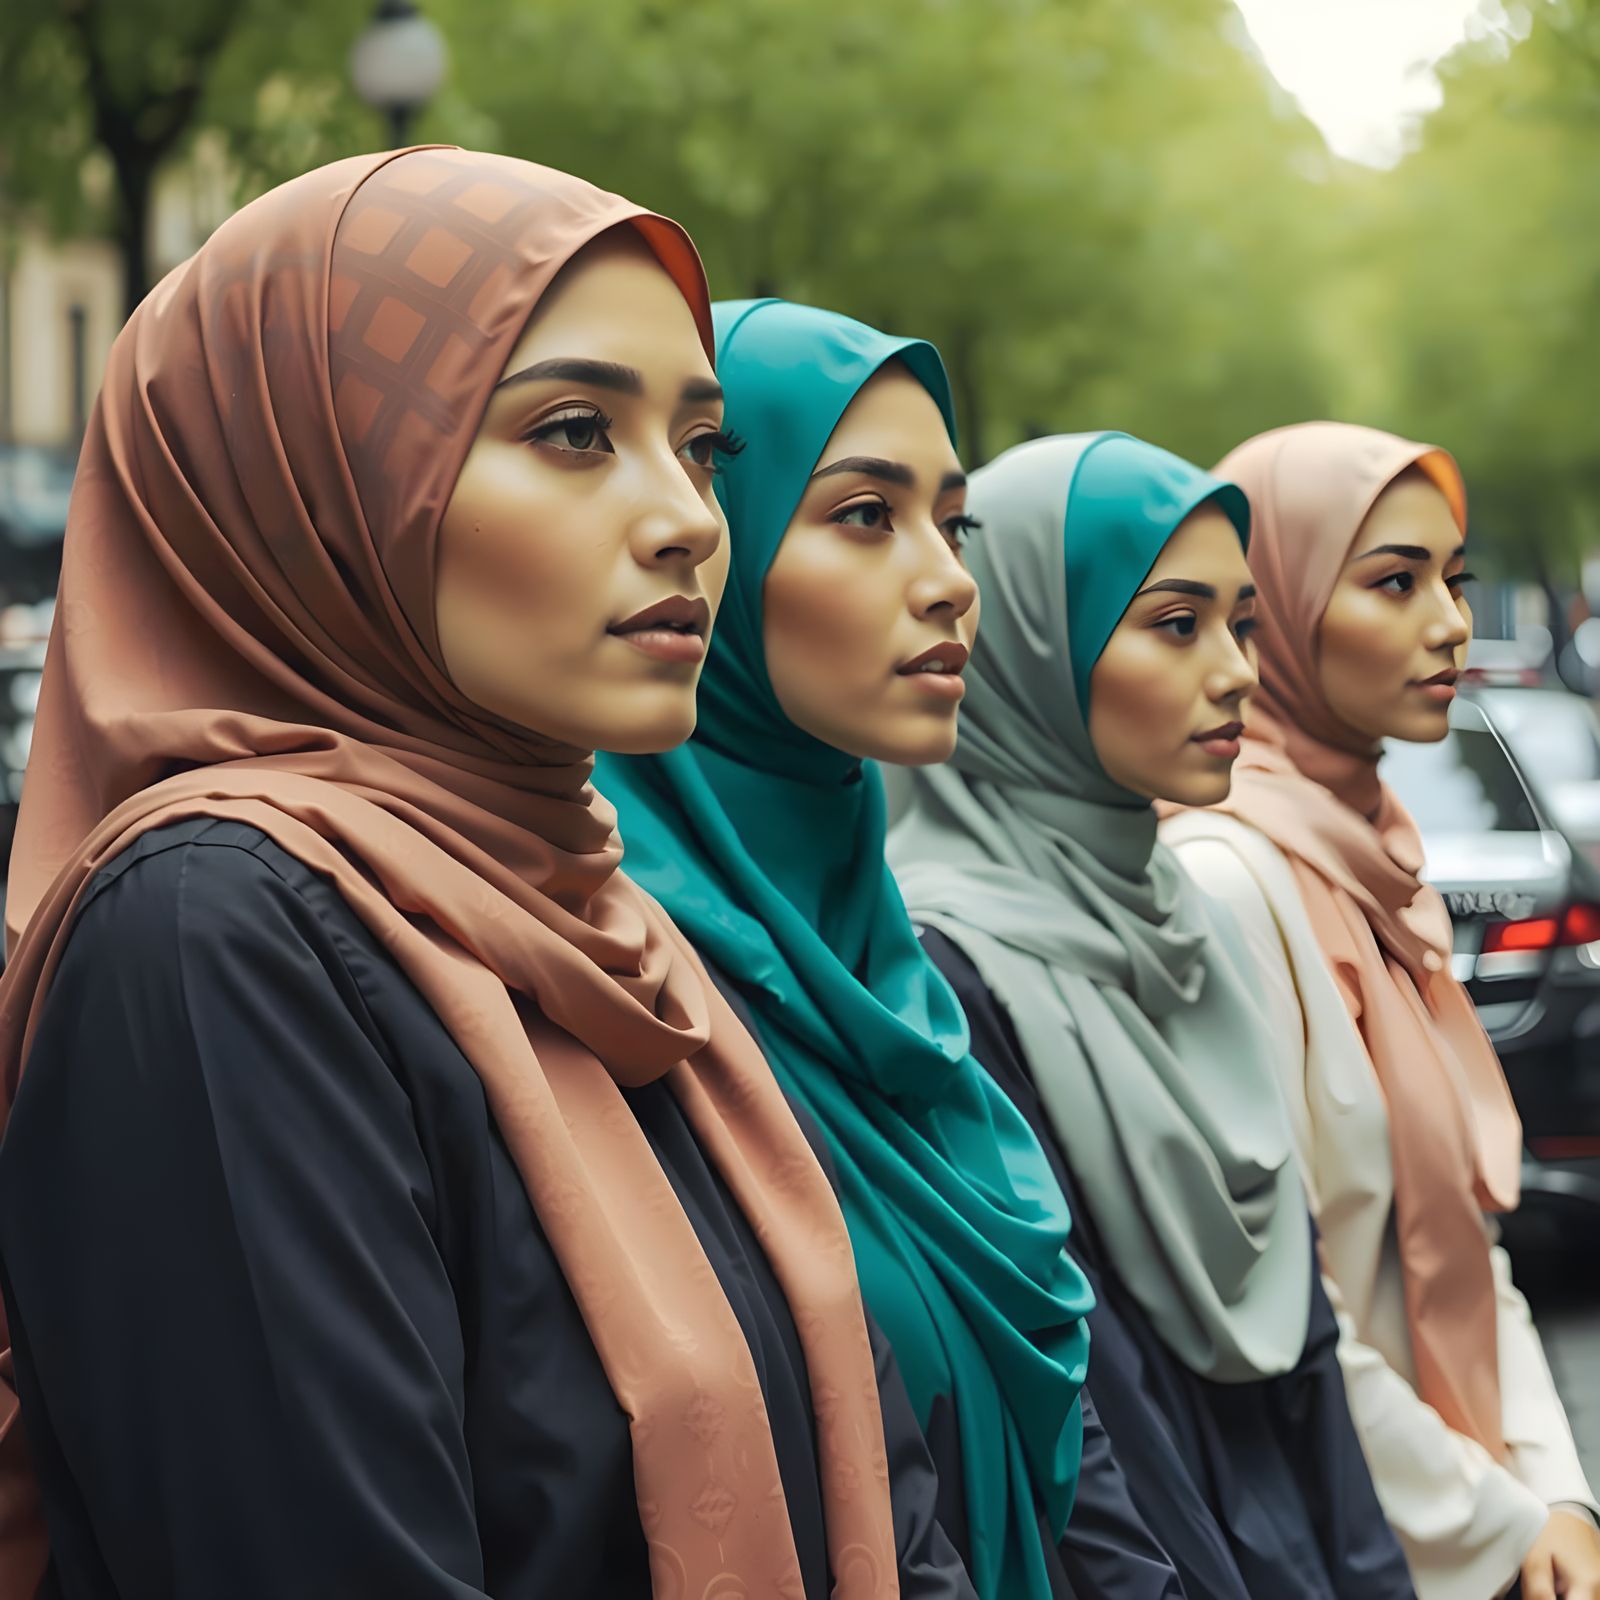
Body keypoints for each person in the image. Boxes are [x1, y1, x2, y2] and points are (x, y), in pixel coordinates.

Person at [0, 149, 974, 1600]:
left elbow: (887, 1499)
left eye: (702, 447)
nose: (689, 518)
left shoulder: (605, 922)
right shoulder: (213, 938)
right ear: (319, 478)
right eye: (576, 430)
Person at [599, 299, 1193, 1600]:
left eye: (952, 522)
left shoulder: (881, 957)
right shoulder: (614, 986)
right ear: (715, 546)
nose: (949, 579)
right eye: (867, 514)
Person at [887, 430, 1416, 1599]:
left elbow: (1304, 1339)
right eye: (1176, 624)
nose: (1234, 672)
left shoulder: (1190, 920)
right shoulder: (942, 972)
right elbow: (1088, 1402)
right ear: (1030, 643)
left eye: (1242, 624)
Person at [1161, 421, 1600, 1600]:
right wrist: (1502, 1526)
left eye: (1454, 580)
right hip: (1348, 1539)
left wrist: (1558, 1494)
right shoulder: (1223, 878)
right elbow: (1283, 1308)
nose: (1450, 623)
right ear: (1273, 610)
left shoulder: (1371, 861)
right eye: (1395, 582)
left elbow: (1459, 1231)